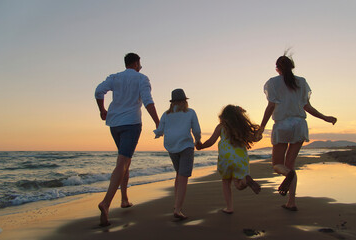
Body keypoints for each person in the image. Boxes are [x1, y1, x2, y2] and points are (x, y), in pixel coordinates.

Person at [258, 54, 337, 211]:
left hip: (282, 125)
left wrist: (261, 127)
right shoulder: (301, 82)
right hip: (299, 125)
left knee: (277, 165)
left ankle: (289, 177)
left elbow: (271, 106)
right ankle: (291, 202)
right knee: (290, 165)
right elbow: (307, 106)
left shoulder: (273, 83)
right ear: (292, 67)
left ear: (277, 68)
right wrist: (324, 117)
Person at [94, 53, 160, 226]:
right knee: (122, 163)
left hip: (115, 124)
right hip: (131, 124)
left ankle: (124, 199)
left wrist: (102, 110)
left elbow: (98, 91)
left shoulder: (115, 77)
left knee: (125, 161)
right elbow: (148, 101)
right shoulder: (142, 78)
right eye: (140, 63)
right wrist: (158, 123)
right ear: (137, 63)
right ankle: (106, 203)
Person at [196, 105, 262, 214]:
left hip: (225, 158)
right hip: (240, 158)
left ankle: (229, 207)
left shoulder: (221, 127)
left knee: (226, 182)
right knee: (238, 185)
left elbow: (211, 141)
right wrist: (259, 135)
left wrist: (201, 146)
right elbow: (254, 138)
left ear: (224, 116)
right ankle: (245, 180)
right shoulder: (241, 127)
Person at [154, 88, 201, 220]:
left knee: (179, 174)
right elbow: (196, 130)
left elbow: (160, 130)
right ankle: (178, 209)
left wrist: (157, 134)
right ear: (184, 101)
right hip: (185, 145)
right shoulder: (190, 112)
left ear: (172, 102)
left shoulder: (165, 114)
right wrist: (198, 141)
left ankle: (176, 204)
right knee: (183, 177)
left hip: (171, 146)